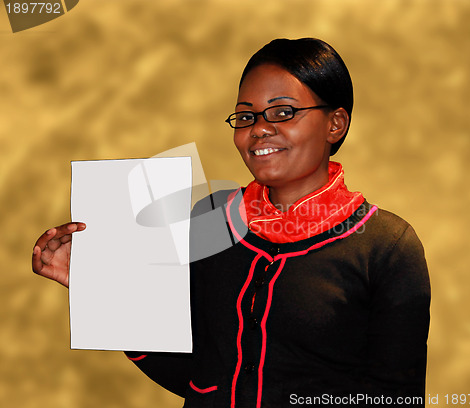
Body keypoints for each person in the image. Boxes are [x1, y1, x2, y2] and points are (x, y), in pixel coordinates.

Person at [32, 38, 430, 407]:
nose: (258, 129)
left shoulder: (386, 245)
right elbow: (193, 373)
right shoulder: (212, 218)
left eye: (283, 111)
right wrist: (97, 283)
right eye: (245, 116)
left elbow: (395, 397)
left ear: (335, 124)